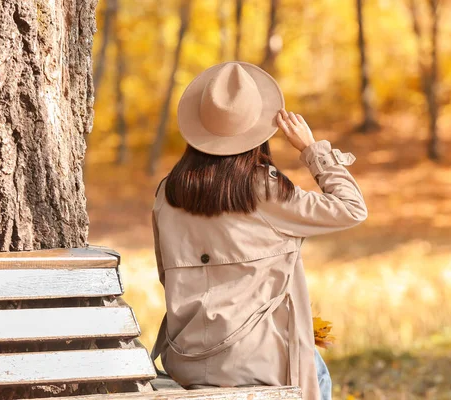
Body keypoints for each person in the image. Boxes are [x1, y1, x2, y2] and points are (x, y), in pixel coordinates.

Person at [151, 61, 367, 400]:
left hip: (186, 358)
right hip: (257, 362)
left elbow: (168, 274)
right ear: (259, 132)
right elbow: (352, 208)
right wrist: (313, 150)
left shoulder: (168, 192)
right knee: (317, 373)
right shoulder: (264, 191)